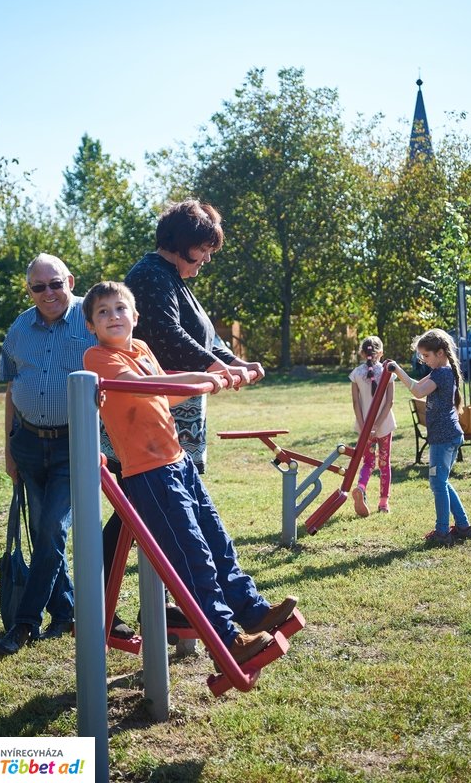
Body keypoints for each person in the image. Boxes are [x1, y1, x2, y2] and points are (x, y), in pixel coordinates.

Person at [83, 281, 298, 666]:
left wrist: (213, 380)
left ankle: (252, 610)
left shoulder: (142, 349)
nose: (113, 316)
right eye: (103, 312)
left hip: (178, 462)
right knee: (192, 554)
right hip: (148, 473)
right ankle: (226, 639)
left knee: (217, 541)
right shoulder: (97, 357)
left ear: (135, 316)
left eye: (120, 309)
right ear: (91, 325)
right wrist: (203, 377)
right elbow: (139, 388)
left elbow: (165, 393)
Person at [0, 253, 97, 655]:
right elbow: (10, 389)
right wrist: (9, 450)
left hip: (76, 444)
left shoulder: (91, 319)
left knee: (52, 528)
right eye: (40, 286)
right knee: (42, 532)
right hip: (29, 444)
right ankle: (66, 611)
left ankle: (24, 622)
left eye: (56, 283)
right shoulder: (20, 327)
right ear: (29, 290)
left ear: (69, 280)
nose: (49, 292)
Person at [124, 198, 265, 473]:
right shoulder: (151, 276)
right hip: (154, 420)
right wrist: (220, 369)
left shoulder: (171, 277)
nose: (207, 258)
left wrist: (238, 365)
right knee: (155, 504)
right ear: (181, 244)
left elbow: (206, 342)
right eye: (203, 249)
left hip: (178, 416)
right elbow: (168, 335)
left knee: (161, 506)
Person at [391, 329, 471, 547]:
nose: (424, 361)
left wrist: (398, 370)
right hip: (447, 436)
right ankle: (464, 527)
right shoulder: (440, 371)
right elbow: (417, 387)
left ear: (440, 353)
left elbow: (418, 392)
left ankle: (442, 532)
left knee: (438, 483)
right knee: (442, 482)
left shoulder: (441, 374)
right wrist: (399, 373)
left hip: (444, 438)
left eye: (426, 356)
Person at [349, 336, 396, 516]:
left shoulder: (356, 374)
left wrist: (365, 427)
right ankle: (384, 503)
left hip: (364, 427)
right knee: (384, 463)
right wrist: (377, 425)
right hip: (384, 425)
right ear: (381, 353)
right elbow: (390, 402)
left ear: (362, 353)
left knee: (367, 462)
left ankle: (361, 487)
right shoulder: (388, 372)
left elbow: (355, 403)